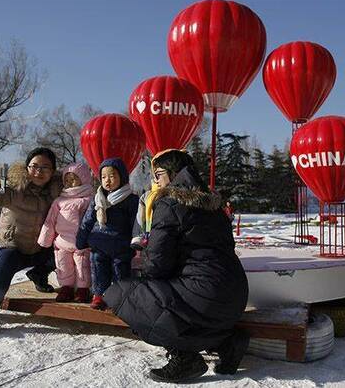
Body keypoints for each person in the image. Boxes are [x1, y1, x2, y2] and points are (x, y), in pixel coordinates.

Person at [104, 149, 250, 383]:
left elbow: (156, 265)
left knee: (124, 293)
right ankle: (227, 342)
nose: (156, 181)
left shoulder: (170, 202)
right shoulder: (214, 205)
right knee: (177, 293)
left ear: (173, 174)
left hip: (206, 295)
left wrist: (144, 259)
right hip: (236, 292)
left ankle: (184, 357)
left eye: (159, 174)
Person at [0, 147, 62, 335]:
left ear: (53, 171)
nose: (39, 172)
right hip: (12, 247)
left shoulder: (54, 192)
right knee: (7, 259)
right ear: (27, 168)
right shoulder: (11, 187)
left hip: (38, 249)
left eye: (45, 167)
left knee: (63, 250)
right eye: (34, 166)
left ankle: (39, 275)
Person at [75, 158, 138, 310]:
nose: (107, 180)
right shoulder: (97, 198)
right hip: (99, 242)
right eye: (103, 177)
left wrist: (135, 241)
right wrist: (81, 240)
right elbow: (88, 220)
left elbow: (136, 223)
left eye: (112, 176)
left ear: (122, 177)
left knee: (120, 271)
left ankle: (120, 296)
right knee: (98, 269)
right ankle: (99, 294)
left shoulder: (130, 199)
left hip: (120, 244)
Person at [38, 162, 94, 303]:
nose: (69, 183)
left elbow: (94, 221)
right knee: (63, 266)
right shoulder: (59, 201)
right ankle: (66, 288)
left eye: (73, 179)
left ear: (84, 179)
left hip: (82, 243)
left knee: (82, 267)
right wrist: (45, 240)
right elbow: (50, 220)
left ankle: (83, 290)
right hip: (62, 242)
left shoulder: (88, 199)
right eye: (66, 180)